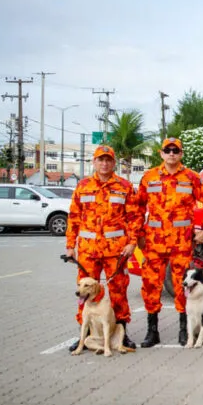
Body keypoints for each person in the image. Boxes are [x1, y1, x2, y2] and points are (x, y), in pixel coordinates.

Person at [135, 137, 203, 348]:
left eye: (175, 150)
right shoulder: (149, 177)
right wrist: (138, 235)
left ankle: (184, 331)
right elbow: (136, 209)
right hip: (154, 244)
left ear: (181, 154)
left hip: (181, 244)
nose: (171, 153)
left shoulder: (191, 177)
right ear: (161, 153)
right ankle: (152, 331)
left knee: (183, 288)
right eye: (167, 150)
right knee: (151, 286)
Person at [65, 145, 141, 352]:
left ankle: (121, 333)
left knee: (118, 291)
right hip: (88, 252)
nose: (104, 163)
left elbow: (134, 217)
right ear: (94, 162)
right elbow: (73, 217)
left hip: (116, 252)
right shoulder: (83, 186)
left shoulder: (124, 186)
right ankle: (85, 334)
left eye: (108, 160)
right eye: (101, 159)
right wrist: (70, 246)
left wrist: (132, 242)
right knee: (85, 293)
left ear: (114, 163)